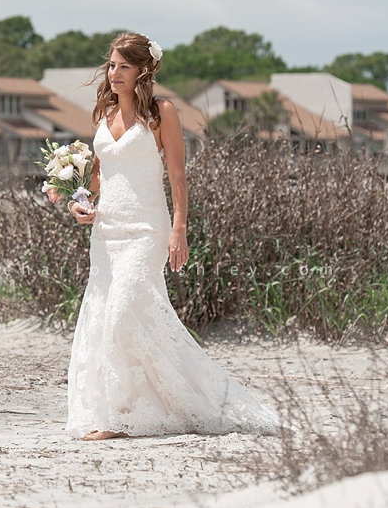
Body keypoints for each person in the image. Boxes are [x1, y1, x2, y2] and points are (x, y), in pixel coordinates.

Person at [66, 32, 278, 441]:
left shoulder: (162, 113)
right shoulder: (104, 114)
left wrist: (179, 229)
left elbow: (178, 176)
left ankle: (149, 407)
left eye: (124, 66)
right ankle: (119, 413)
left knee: (124, 311)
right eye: (111, 65)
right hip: (107, 232)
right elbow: (95, 177)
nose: (115, 73)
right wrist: (78, 202)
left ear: (144, 70)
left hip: (148, 229)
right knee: (107, 316)